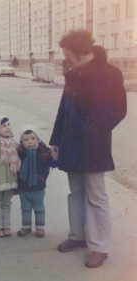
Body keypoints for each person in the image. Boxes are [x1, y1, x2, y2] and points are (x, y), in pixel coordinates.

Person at [49, 29, 127, 268]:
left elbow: (118, 109)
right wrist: (56, 140)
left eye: (67, 53)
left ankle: (99, 246)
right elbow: (64, 109)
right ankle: (78, 236)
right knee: (76, 191)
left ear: (81, 52)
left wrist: (91, 129)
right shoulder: (72, 74)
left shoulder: (111, 73)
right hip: (71, 143)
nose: (65, 58)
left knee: (96, 194)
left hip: (94, 144)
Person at [17, 124, 57, 238]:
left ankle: (40, 228)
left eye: (33, 138)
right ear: (21, 141)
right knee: (25, 208)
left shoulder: (44, 152)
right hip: (23, 187)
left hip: (38, 186)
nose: (29, 142)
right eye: (26, 139)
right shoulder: (20, 153)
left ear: (38, 139)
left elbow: (53, 164)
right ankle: (26, 227)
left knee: (39, 208)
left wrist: (54, 157)